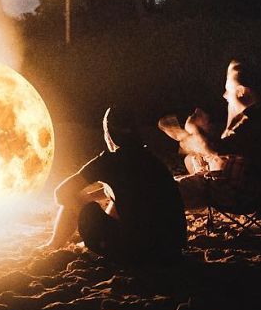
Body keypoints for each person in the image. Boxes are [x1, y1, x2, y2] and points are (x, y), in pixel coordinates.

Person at [43, 105, 187, 262]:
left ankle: (53, 244)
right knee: (118, 201)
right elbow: (130, 191)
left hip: (139, 253)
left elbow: (61, 193)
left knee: (80, 205)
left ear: (109, 134)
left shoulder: (109, 161)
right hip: (170, 250)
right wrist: (92, 197)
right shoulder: (150, 160)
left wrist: (81, 205)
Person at [161, 58, 261, 211]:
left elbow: (214, 148)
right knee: (190, 160)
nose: (225, 95)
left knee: (165, 190)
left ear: (241, 91)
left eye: (228, 89)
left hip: (237, 194)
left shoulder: (253, 122)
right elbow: (229, 146)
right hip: (249, 190)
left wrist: (193, 129)